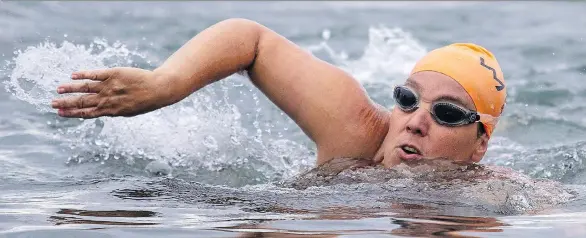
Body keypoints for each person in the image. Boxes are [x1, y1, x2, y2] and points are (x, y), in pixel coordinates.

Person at [50, 18, 507, 169]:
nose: (415, 120)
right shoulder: (355, 131)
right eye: (407, 99)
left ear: (480, 144)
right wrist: (163, 85)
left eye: (446, 113)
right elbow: (252, 40)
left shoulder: (488, 201)